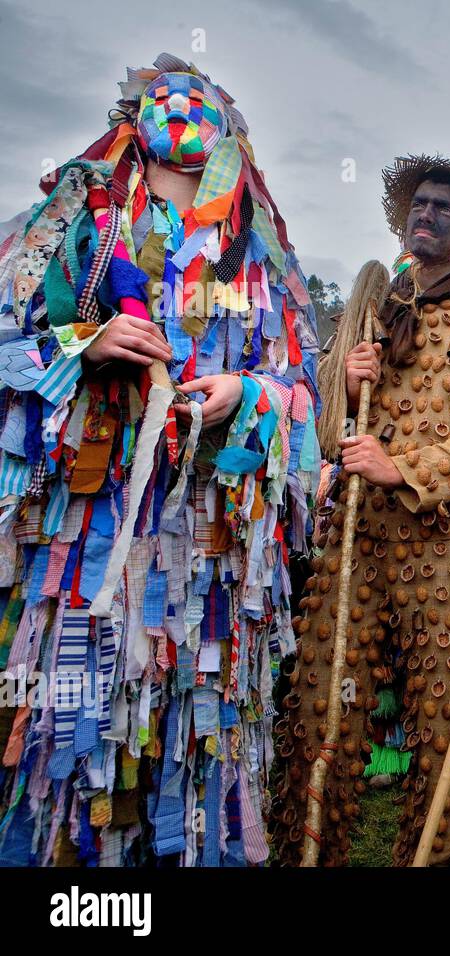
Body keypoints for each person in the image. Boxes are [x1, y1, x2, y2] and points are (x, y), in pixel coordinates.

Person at [0, 54, 320, 866]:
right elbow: (10, 344)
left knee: (199, 734)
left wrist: (245, 392)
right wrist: (86, 342)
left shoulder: (254, 263)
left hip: (213, 545)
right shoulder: (81, 232)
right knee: (79, 732)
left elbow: (300, 389)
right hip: (93, 532)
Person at [271, 155, 450, 866]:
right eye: (420, 203)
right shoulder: (372, 313)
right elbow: (322, 434)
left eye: (445, 207)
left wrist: (405, 467)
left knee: (444, 724)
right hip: (353, 538)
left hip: (446, 550)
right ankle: (306, 852)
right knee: (322, 708)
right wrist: (341, 378)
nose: (427, 214)